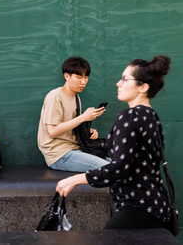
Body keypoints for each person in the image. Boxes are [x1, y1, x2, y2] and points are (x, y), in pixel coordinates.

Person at [56, 56, 172, 229]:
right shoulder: (151, 115)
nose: (118, 83)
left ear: (143, 87)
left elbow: (119, 168)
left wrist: (74, 180)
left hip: (137, 207)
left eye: (125, 79)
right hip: (156, 206)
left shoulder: (130, 115)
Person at [38, 57, 109, 172]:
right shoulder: (55, 96)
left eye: (86, 77)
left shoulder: (76, 97)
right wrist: (83, 117)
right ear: (67, 76)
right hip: (59, 155)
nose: (83, 81)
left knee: (118, 164)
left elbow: (72, 126)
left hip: (75, 149)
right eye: (79, 77)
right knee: (111, 168)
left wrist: (88, 131)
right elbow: (53, 131)